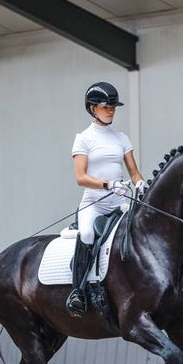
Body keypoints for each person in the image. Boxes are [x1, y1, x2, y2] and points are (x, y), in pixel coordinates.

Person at [66, 81, 145, 317]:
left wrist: (140, 183)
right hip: (95, 203)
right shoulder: (83, 139)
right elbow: (80, 177)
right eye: (106, 106)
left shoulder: (121, 138)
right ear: (92, 108)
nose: (111, 110)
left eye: (113, 107)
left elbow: (133, 171)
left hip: (118, 203)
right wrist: (108, 184)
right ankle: (77, 291)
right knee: (88, 234)